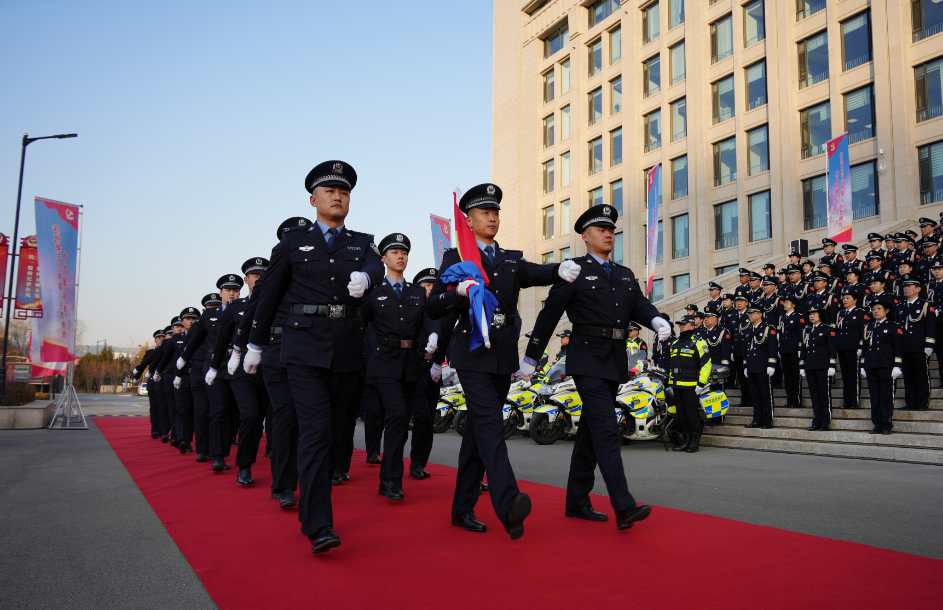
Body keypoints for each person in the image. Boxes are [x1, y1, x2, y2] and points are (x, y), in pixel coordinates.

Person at [427, 183, 586, 540]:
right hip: (470, 352)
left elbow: (534, 273)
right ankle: (508, 501)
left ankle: (461, 509)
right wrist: (457, 292)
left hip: (501, 354)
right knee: (489, 425)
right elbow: (434, 305)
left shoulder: (511, 258)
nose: (493, 217)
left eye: (496, 212)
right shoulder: (457, 258)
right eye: (485, 212)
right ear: (468, 221)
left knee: (478, 435)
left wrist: (561, 269)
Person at [245, 160, 384, 553]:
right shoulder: (292, 243)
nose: (338, 196)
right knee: (316, 432)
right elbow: (269, 296)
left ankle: (312, 513)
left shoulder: (361, 242)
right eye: (330, 191)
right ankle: (320, 525)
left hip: (346, 348)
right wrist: (254, 345)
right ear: (313, 199)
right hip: (302, 349)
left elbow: (375, 262)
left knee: (336, 433)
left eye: (344, 192)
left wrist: (368, 277)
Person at [523, 203, 661, 528]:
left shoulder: (624, 274)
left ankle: (576, 501)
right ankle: (623, 505)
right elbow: (549, 315)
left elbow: (638, 305)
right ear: (586, 236)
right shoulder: (574, 270)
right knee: (606, 429)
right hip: (585, 359)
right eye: (602, 230)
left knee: (589, 432)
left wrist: (658, 320)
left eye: (612, 229)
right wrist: (531, 357)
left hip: (613, 360)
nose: (609, 233)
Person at [230, 217, 311, 505]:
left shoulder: (316, 274)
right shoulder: (269, 278)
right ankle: (284, 485)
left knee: (310, 422)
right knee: (284, 417)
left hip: (310, 354)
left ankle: (314, 478)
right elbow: (253, 312)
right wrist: (240, 349)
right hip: (276, 354)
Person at [360, 233, 438, 501]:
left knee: (401, 420)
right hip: (383, 362)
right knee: (397, 413)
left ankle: (386, 479)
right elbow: (358, 324)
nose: (400, 256)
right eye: (394, 252)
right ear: (383, 258)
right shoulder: (374, 293)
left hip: (411, 363)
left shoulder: (417, 292)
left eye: (404, 252)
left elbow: (428, 321)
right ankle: (393, 478)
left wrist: (433, 335)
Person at [212, 258, 272, 486]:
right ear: (246, 280)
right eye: (255, 276)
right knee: (250, 414)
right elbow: (222, 340)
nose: (260, 279)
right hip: (241, 370)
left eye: (263, 275)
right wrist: (213, 367)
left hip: (269, 367)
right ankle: (244, 467)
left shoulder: (278, 303)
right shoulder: (236, 308)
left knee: (263, 420)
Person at [190, 274, 243, 471]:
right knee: (218, 410)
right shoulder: (209, 315)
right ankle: (217, 456)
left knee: (236, 412)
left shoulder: (247, 310)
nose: (231, 293)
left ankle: (229, 447)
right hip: (215, 367)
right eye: (227, 290)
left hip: (240, 366)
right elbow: (195, 341)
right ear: (220, 293)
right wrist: (183, 363)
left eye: (235, 290)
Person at [409, 266, 449, 481]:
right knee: (422, 416)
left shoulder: (443, 311)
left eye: (433, 286)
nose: (430, 289)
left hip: (435, 370)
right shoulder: (412, 309)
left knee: (429, 418)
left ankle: (421, 463)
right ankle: (413, 461)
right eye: (425, 286)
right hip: (415, 368)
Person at [667, 315, 711, 453]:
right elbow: (672, 364)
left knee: (691, 414)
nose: (681, 327)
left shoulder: (698, 342)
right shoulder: (676, 343)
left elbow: (706, 364)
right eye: (680, 325)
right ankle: (685, 441)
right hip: (677, 385)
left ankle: (694, 442)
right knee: (681, 414)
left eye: (684, 325)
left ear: (692, 326)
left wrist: (701, 383)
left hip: (691, 385)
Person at [861, 296, 903, 435]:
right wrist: (863, 364)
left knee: (886, 396)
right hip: (871, 364)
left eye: (879, 309)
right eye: (873, 309)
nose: (876, 311)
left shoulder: (893, 326)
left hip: (886, 365)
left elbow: (898, 347)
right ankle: (877, 423)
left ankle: (886, 423)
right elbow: (865, 346)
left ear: (886, 311)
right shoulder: (869, 327)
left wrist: (897, 365)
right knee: (875, 396)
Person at [895, 274, 936, 411]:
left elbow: (930, 326)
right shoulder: (900, 306)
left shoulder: (925, 305)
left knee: (922, 375)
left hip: (919, 346)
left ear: (918, 289)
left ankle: (923, 403)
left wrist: (929, 344)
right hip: (904, 346)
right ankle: (911, 402)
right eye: (905, 286)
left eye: (909, 286)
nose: (906, 289)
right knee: (908, 376)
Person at [799, 306, 836, 430]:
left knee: (824, 395)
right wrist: (802, 365)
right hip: (810, 365)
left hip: (822, 365)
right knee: (814, 395)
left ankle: (825, 422)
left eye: (815, 314)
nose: (812, 316)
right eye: (810, 314)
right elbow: (804, 349)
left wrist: (832, 365)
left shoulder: (827, 329)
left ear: (820, 316)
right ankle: (816, 421)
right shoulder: (807, 330)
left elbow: (831, 348)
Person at [170, 306, 201, 454]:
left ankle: (188, 439)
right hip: (180, 378)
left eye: (194, 319)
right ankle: (183, 439)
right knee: (182, 409)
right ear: (182, 321)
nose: (191, 321)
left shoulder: (202, 335)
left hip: (196, 376)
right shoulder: (175, 339)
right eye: (188, 319)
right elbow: (167, 359)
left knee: (194, 411)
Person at [743, 302, 778, 429]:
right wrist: (745, 366)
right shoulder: (748, 330)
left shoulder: (768, 328)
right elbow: (746, 350)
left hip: (763, 367)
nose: (750, 315)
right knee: (755, 396)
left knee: (765, 395)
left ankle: (767, 420)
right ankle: (757, 419)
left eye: (752, 313)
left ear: (760, 314)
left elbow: (772, 347)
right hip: (752, 366)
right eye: (749, 313)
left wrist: (772, 364)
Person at [836, 290, 867, 409]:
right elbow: (838, 331)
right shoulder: (840, 313)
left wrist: (860, 347)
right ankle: (846, 401)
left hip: (854, 347)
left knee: (853, 375)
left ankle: (855, 401)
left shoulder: (860, 313)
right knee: (845, 375)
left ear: (855, 300)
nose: (845, 300)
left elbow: (863, 332)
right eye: (844, 298)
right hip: (842, 346)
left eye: (848, 298)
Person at [132, 329, 164, 438]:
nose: (161, 340)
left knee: (163, 408)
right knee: (154, 407)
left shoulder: (168, 350)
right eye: (159, 338)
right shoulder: (150, 353)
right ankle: (155, 429)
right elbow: (143, 365)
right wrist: (136, 377)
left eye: (163, 338)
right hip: (153, 383)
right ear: (155, 340)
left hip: (164, 381)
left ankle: (163, 431)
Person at [778, 295, 805, 409]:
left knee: (795, 375)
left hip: (794, 350)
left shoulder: (799, 317)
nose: (784, 304)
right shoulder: (782, 318)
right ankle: (790, 399)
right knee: (787, 376)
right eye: (784, 302)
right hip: (785, 349)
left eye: (787, 302)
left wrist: (800, 349)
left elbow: (801, 335)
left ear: (793, 305)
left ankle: (797, 399)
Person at [729, 295, 751, 407]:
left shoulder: (750, 315)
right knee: (741, 377)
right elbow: (732, 335)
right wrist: (732, 350)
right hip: (737, 350)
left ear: (746, 303)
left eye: (741, 301)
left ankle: (750, 399)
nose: (739, 303)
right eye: (737, 301)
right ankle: (744, 399)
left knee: (749, 376)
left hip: (747, 350)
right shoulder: (733, 317)